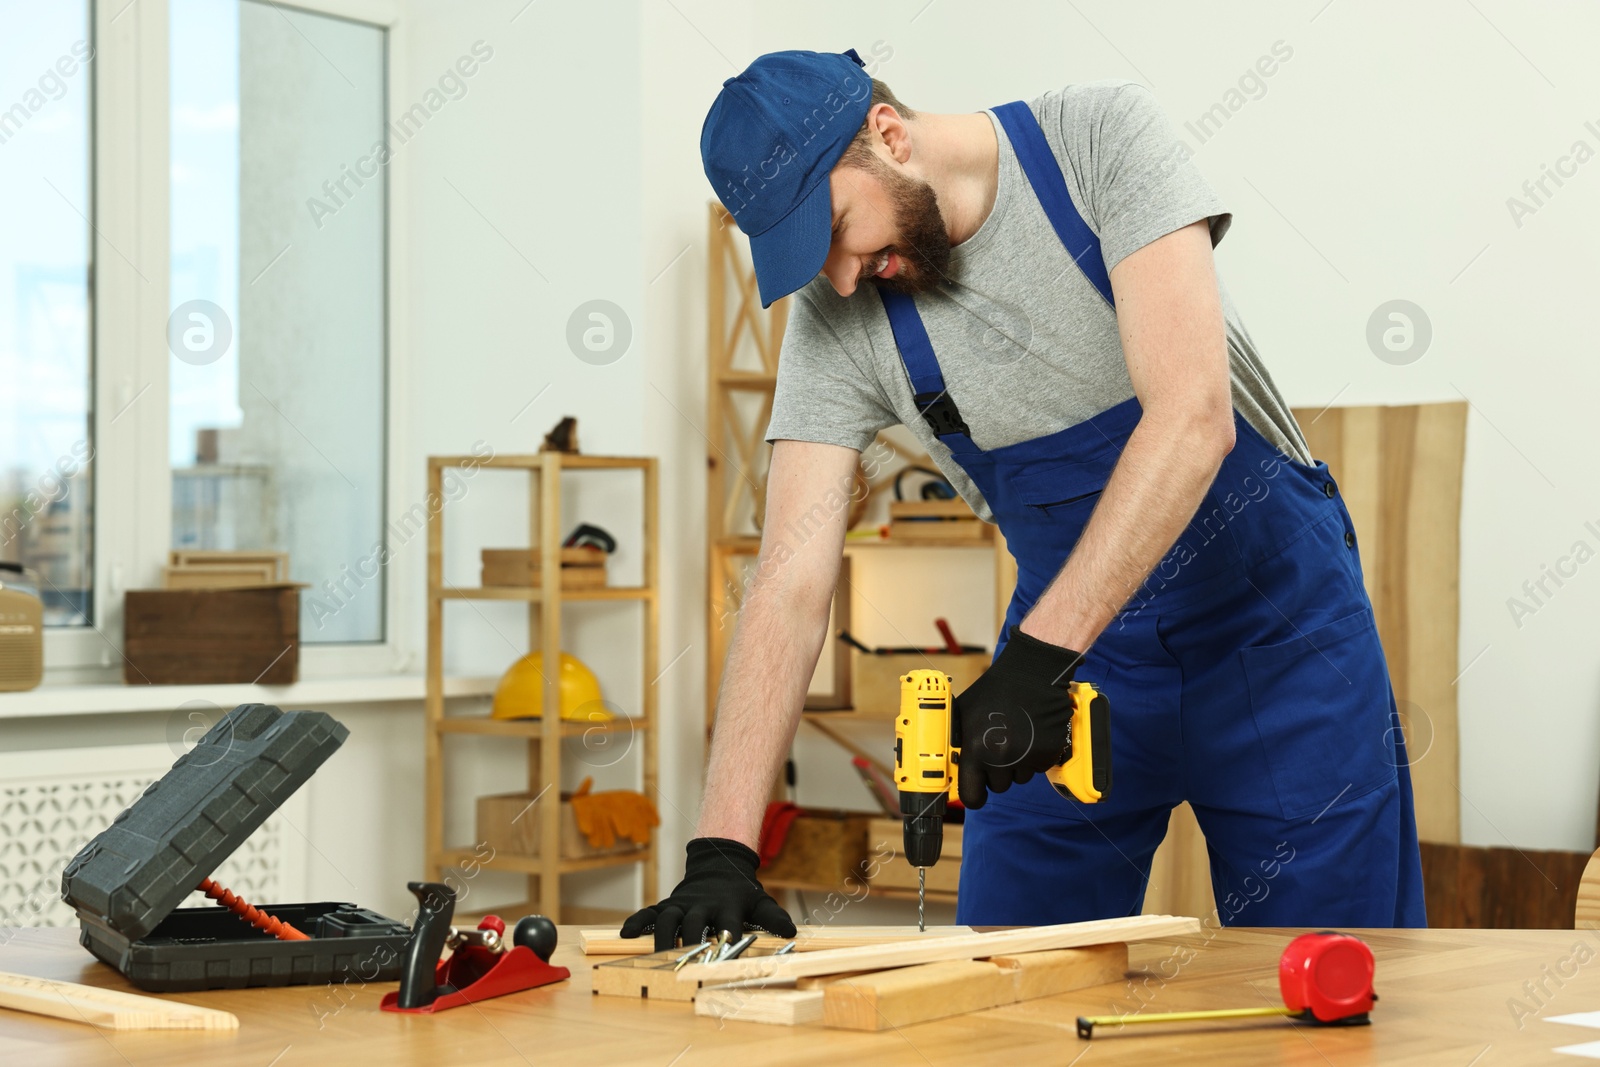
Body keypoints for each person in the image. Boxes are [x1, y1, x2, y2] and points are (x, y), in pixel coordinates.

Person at [622, 47, 1426, 951]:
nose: (840, 276)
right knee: (1004, 965)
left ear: (889, 135)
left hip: (1277, 633)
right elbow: (789, 579)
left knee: (1325, 972)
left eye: (836, 227)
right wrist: (723, 846)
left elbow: (1194, 420)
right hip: (1080, 666)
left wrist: (1035, 660)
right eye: (809, 259)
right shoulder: (837, 314)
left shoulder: (1097, 142)